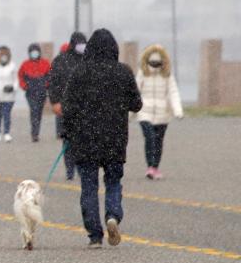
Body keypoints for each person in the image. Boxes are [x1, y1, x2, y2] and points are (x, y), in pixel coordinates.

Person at [63, 28, 142, 249]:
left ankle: (94, 236)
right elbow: (137, 104)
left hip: (85, 140)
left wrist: (68, 133)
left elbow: (68, 108)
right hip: (114, 140)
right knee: (113, 182)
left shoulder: (79, 73)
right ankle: (113, 216)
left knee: (88, 187)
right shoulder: (123, 72)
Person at [135, 44, 183, 180]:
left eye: (158, 63)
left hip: (163, 114)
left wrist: (177, 110)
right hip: (145, 112)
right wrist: (128, 113)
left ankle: (155, 167)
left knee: (158, 140)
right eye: (152, 63)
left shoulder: (167, 75)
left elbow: (173, 93)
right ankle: (150, 166)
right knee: (150, 138)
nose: (155, 66)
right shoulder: (142, 73)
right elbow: (134, 93)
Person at [48, 32, 87, 179]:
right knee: (69, 140)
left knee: (84, 140)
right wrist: (55, 102)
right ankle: (70, 170)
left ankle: (82, 170)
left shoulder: (89, 60)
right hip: (67, 106)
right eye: (79, 43)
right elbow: (53, 83)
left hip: (85, 106)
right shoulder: (60, 60)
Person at [18, 43, 51, 142]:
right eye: (32, 51)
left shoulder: (45, 63)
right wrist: (24, 86)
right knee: (34, 110)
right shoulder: (25, 64)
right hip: (30, 93)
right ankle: (34, 133)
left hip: (42, 92)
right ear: (29, 53)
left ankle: (36, 131)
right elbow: (20, 76)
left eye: (36, 51)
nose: (34, 53)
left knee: (39, 113)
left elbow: (50, 75)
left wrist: (46, 85)